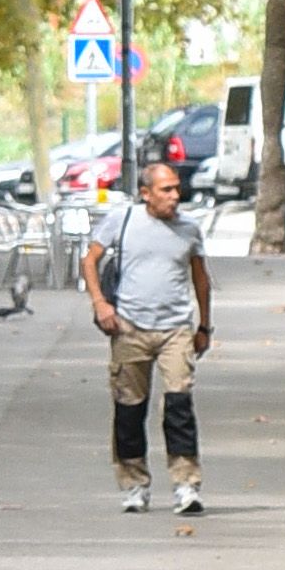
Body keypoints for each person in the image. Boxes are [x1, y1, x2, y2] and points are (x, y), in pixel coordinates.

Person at [80, 162, 213, 517]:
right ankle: (134, 484)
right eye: (166, 190)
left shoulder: (189, 230)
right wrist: (100, 304)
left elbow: (201, 279)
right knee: (129, 409)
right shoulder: (122, 221)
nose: (174, 196)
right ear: (145, 193)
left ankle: (186, 484)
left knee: (179, 406)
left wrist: (204, 327)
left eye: (176, 189)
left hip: (176, 330)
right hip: (129, 328)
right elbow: (89, 261)